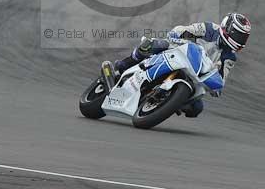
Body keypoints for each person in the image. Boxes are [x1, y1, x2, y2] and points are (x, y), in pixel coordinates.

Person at [107, 13, 251, 118]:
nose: (240, 40)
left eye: (243, 37)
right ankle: (122, 67)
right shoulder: (209, 29)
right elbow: (185, 29)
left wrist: (216, 88)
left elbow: (222, 79)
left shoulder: (229, 57)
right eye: (238, 35)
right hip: (180, 51)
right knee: (151, 45)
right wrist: (176, 35)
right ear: (227, 28)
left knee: (197, 107)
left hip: (195, 75)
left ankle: (168, 103)